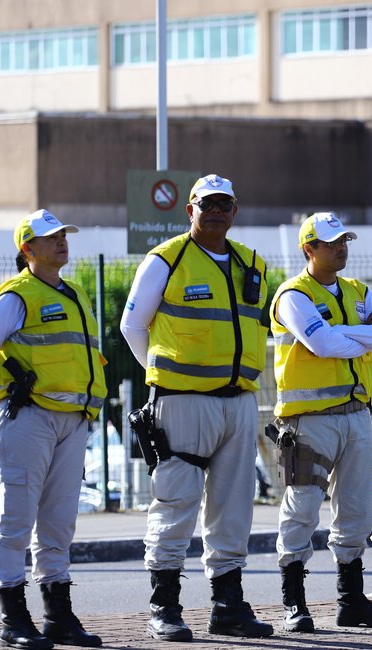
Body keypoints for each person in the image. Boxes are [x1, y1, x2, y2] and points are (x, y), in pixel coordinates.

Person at [120, 173, 274, 641]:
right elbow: (133, 327)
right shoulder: (166, 260)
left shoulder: (253, 263)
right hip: (182, 404)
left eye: (224, 204)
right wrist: (162, 376)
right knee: (175, 502)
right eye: (206, 204)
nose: (215, 211)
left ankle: (228, 606)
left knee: (233, 509)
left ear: (235, 210)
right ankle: (163, 606)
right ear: (189, 211)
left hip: (239, 402)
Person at [0, 209, 108, 650]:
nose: (61, 242)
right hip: (28, 418)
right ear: (27, 249)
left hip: (73, 420)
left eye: (63, 235)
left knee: (59, 523)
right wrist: (7, 383)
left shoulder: (77, 293)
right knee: (16, 521)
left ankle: (58, 616)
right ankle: (14, 618)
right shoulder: (16, 295)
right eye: (50, 237)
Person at [269, 213, 372, 633]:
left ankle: (352, 602)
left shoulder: (359, 291)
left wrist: (341, 332)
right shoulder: (292, 295)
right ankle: (295, 603)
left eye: (344, 240)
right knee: (302, 508)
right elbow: (320, 343)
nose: (341, 248)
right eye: (331, 243)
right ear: (309, 249)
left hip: (357, 416)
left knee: (357, 511)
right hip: (309, 423)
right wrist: (358, 333)